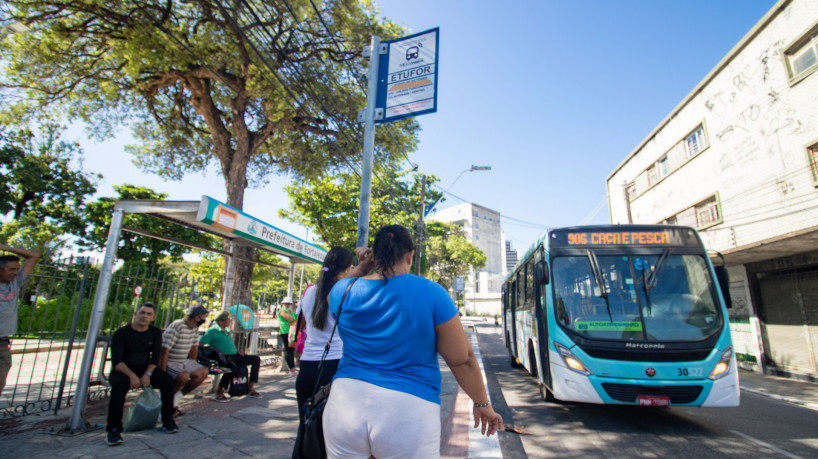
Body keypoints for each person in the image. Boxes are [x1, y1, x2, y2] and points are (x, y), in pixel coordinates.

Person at [323, 225, 503, 458]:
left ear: (374, 256)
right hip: (408, 411)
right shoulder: (432, 293)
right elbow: (462, 359)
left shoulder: (344, 291)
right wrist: (482, 404)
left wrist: (361, 268)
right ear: (410, 254)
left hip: (344, 406)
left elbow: (331, 295)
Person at [294, 246, 374, 424]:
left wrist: (360, 268)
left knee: (307, 428)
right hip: (335, 366)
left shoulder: (310, 292)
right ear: (347, 268)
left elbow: (301, 324)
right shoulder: (343, 293)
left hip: (307, 367)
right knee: (334, 430)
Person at [105, 302, 177, 445]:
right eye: (142, 313)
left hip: (145, 370)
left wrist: (147, 375)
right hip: (124, 370)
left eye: (149, 314)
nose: (144, 316)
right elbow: (117, 362)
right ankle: (113, 429)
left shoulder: (155, 333)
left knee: (167, 381)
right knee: (119, 387)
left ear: (153, 317)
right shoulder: (121, 333)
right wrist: (132, 376)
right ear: (135, 314)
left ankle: (168, 420)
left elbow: (155, 358)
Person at [0, 243, 40, 395]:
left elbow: (34, 256)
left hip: (2, 342)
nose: (16, 272)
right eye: (11, 269)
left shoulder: (14, 283)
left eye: (17, 269)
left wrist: (7, 248)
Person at [199, 310, 262, 400]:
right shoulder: (212, 331)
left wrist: (238, 351)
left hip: (235, 355)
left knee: (255, 359)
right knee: (231, 366)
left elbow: (228, 345)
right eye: (228, 319)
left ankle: (251, 388)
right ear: (221, 321)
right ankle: (219, 391)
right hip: (223, 357)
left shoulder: (227, 330)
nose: (230, 321)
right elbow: (201, 344)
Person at [159, 304, 209, 413]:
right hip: (171, 362)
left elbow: (194, 348)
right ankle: (166, 400)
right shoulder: (178, 326)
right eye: (203, 317)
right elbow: (165, 350)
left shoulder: (194, 329)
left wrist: (193, 365)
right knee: (183, 376)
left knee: (203, 372)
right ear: (196, 317)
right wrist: (162, 372)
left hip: (183, 361)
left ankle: (176, 397)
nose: (204, 320)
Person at [278, 297, 297, 375]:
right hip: (285, 331)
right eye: (286, 303)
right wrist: (294, 319)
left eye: (289, 303)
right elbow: (290, 319)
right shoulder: (282, 311)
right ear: (283, 303)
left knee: (291, 349)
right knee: (288, 349)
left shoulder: (291, 311)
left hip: (292, 331)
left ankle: (293, 367)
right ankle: (291, 368)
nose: (287, 304)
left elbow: (296, 318)